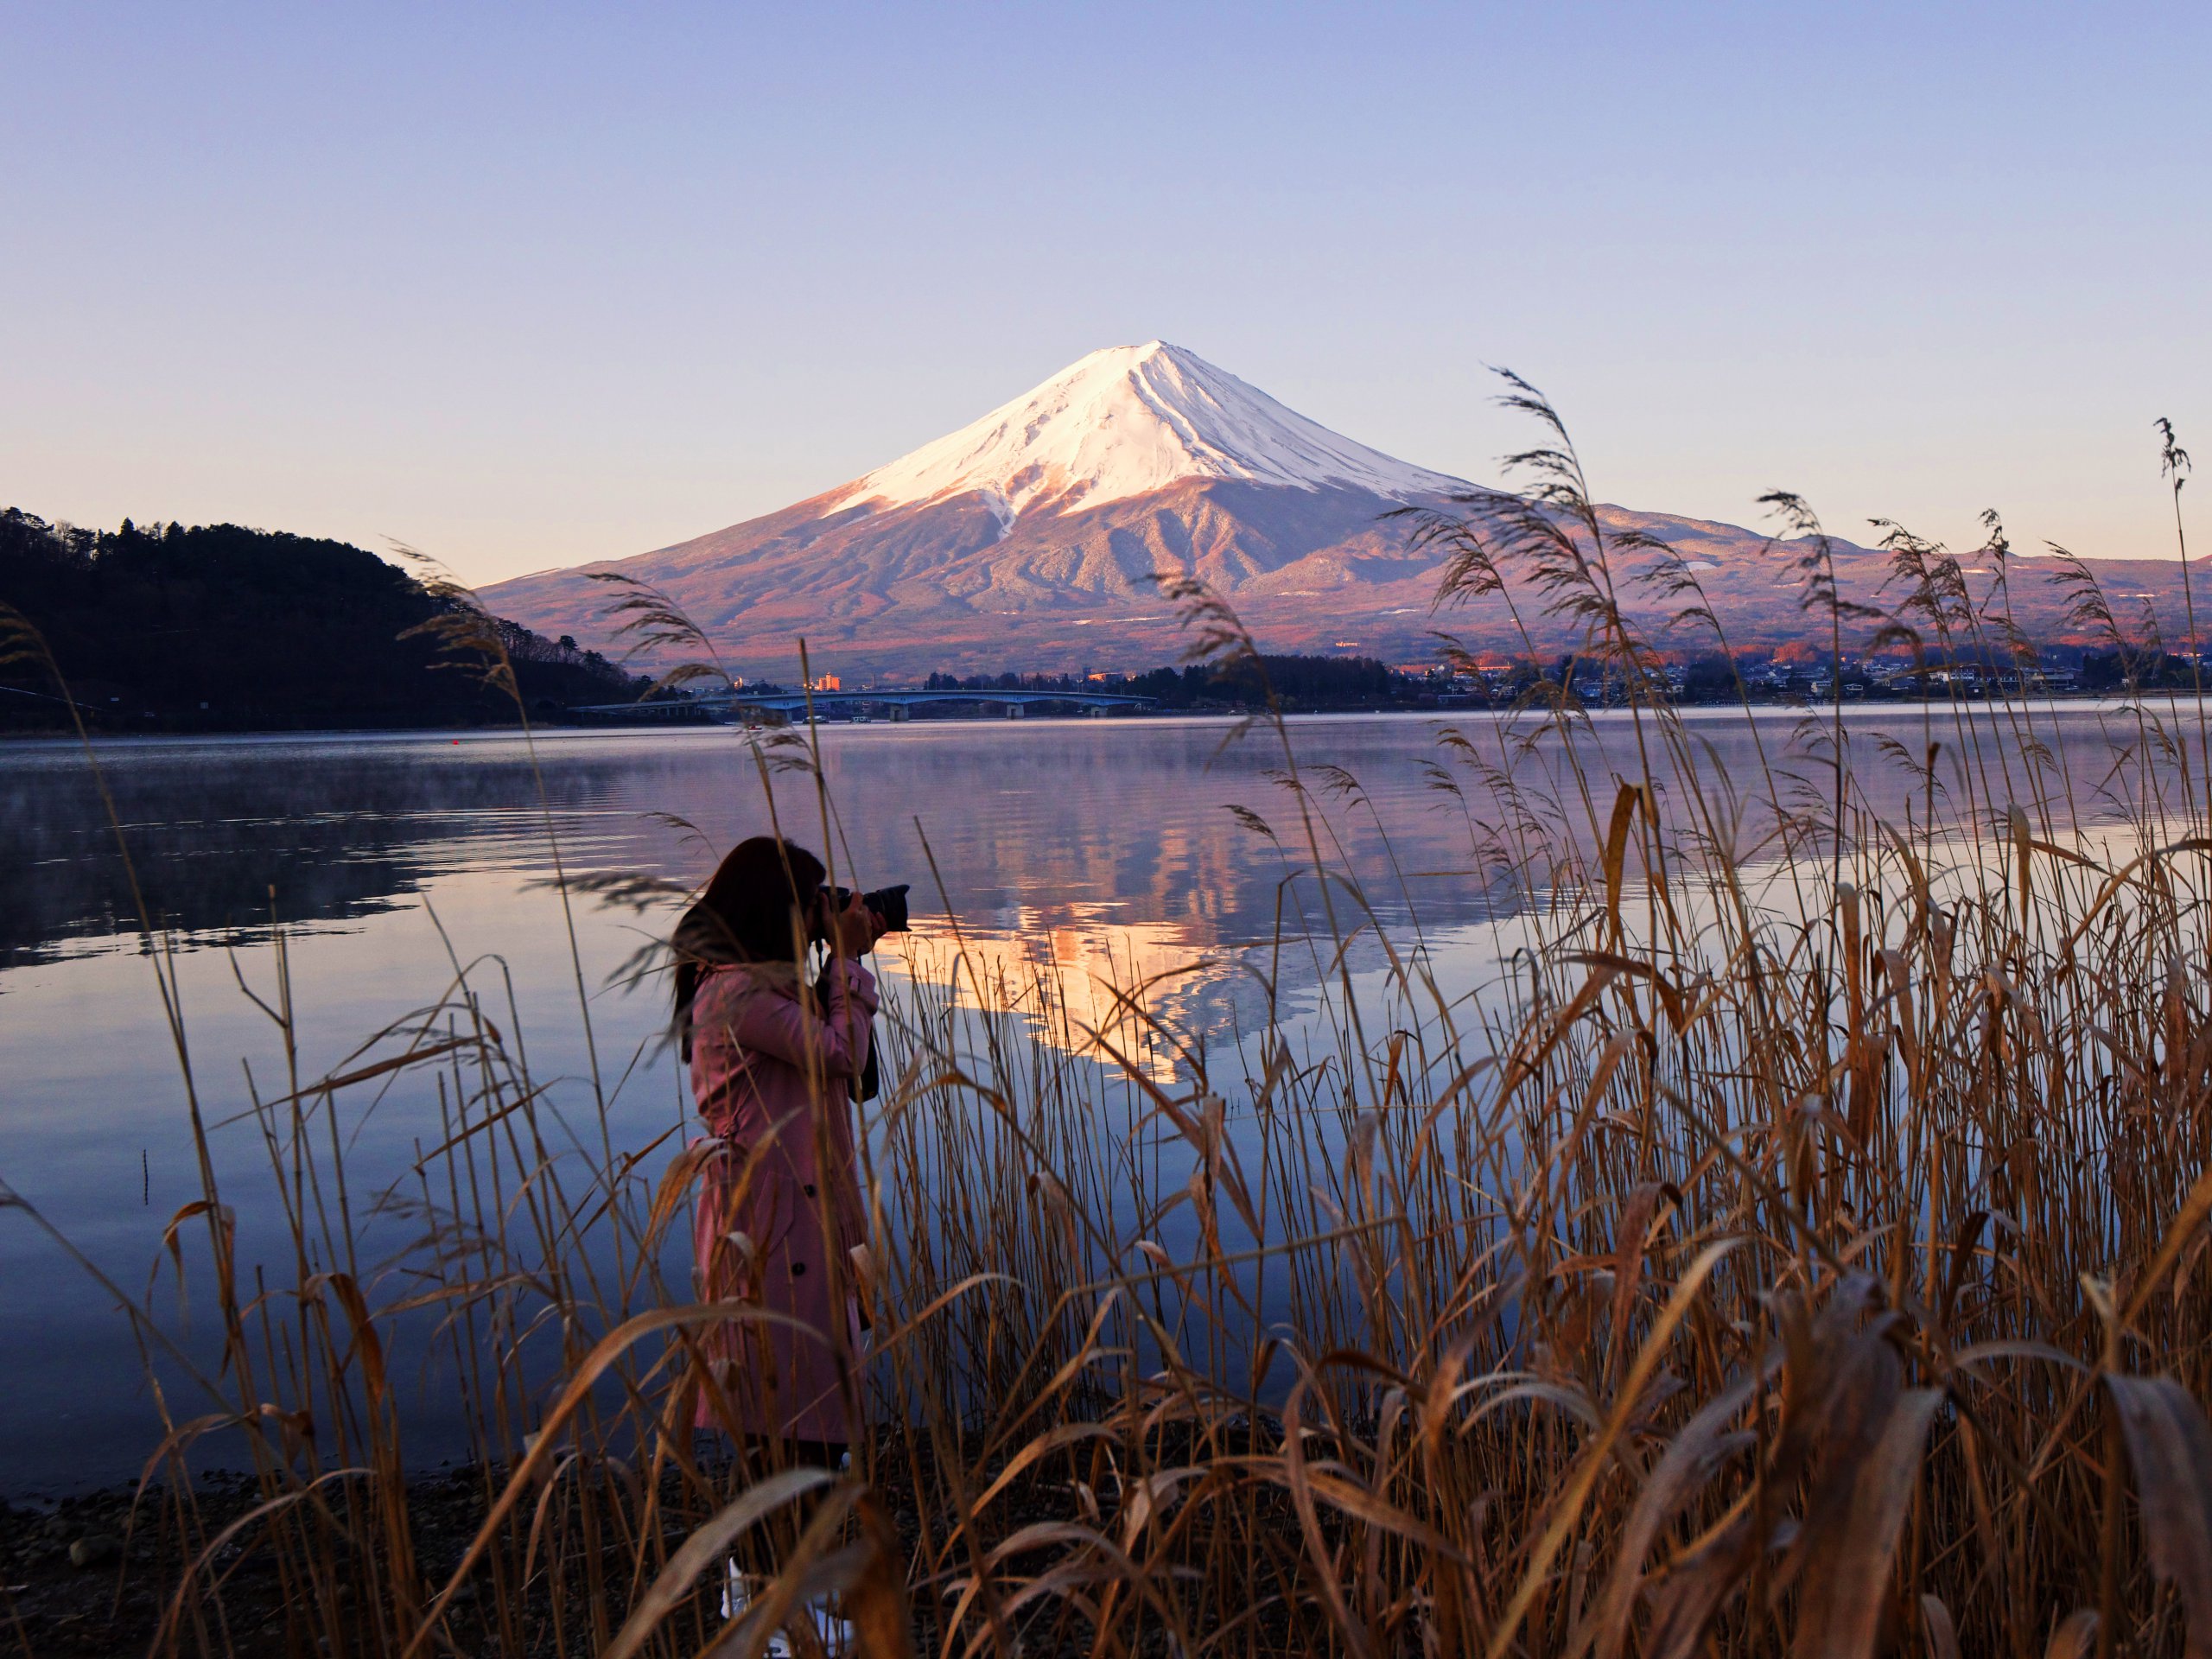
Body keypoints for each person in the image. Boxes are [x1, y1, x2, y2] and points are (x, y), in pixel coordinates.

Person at [672, 835, 889, 1649]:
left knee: (803, 1419)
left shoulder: (766, 990)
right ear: (777, 910)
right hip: (767, 1231)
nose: (821, 916)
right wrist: (850, 968)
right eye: (812, 903)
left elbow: (850, 1077)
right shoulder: (734, 997)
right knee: (782, 1421)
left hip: (799, 1218)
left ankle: (779, 1596)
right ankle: (762, 1615)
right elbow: (839, 1051)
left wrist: (837, 969)